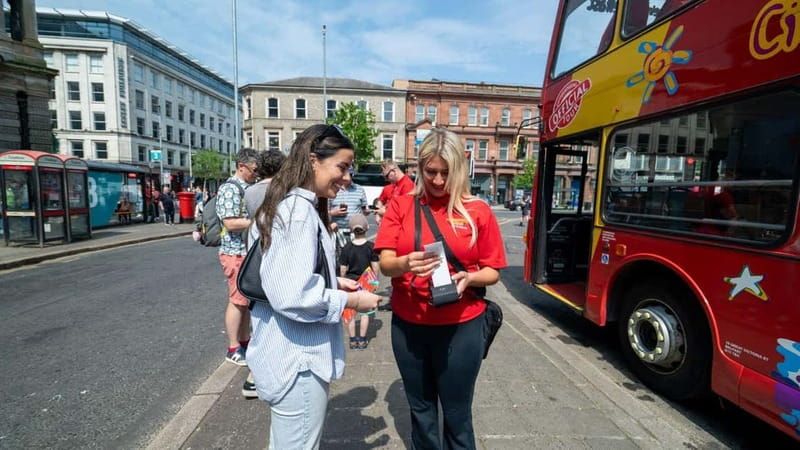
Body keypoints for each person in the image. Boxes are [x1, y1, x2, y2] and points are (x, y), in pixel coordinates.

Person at [247, 124, 381, 449]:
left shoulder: (292, 204)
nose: (347, 178)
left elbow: (286, 276)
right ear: (313, 160)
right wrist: (351, 301)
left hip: (287, 356)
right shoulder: (297, 212)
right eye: (342, 167)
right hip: (299, 361)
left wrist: (336, 282)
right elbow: (291, 295)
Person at [374, 128, 507, 449]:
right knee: (421, 411)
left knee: (458, 414)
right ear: (419, 168)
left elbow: (493, 271)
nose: (436, 180)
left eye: (445, 173)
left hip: (461, 327)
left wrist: (470, 279)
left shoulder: (478, 210)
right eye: (430, 171)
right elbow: (385, 263)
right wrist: (406, 264)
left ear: (459, 169)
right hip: (409, 326)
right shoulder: (401, 205)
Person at [240, 149, 285, 399]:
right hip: (271, 257)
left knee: (258, 318)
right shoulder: (279, 193)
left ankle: (253, 376)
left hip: (252, 257)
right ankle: (257, 377)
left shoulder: (250, 192)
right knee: (273, 321)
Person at [216, 148, 259, 366]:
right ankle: (233, 347)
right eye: (253, 169)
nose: (256, 173)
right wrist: (257, 222)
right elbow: (230, 222)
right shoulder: (230, 189)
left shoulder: (247, 187)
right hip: (234, 252)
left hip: (244, 251)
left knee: (245, 301)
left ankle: (244, 341)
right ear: (241, 166)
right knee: (236, 300)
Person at [339, 213, 379, 350]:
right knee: (365, 313)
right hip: (366, 282)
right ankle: (362, 340)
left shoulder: (346, 248)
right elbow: (375, 266)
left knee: (349, 312)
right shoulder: (371, 246)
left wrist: (342, 281)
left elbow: (343, 269)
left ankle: (352, 340)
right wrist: (375, 281)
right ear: (367, 228)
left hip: (350, 282)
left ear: (351, 230)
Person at [329, 173, 369, 253]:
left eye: (349, 174)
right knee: (339, 258)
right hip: (337, 231)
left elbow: (364, 209)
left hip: (356, 232)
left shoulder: (359, 189)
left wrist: (367, 211)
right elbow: (323, 212)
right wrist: (333, 213)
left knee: (357, 256)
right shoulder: (333, 189)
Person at [375, 159, 414, 225]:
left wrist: (384, 213)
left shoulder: (407, 185)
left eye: (386, 176)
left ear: (394, 171)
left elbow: (404, 212)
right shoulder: (396, 185)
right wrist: (379, 213)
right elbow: (384, 201)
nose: (386, 180)